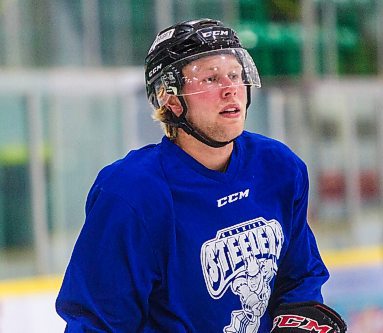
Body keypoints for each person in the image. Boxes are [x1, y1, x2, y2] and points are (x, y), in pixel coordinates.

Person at [55, 18, 346, 333]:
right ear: (169, 97)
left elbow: (299, 276)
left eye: (235, 75)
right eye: (210, 78)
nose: (230, 89)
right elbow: (97, 322)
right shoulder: (131, 194)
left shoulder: (279, 167)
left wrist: (296, 320)